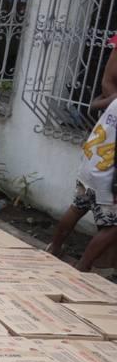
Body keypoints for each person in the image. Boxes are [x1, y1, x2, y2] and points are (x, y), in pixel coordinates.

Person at [48, 39, 117, 269]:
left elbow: (94, 105)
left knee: (78, 206)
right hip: (108, 174)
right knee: (113, 226)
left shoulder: (114, 101)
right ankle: (84, 266)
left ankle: (54, 248)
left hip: (91, 163)